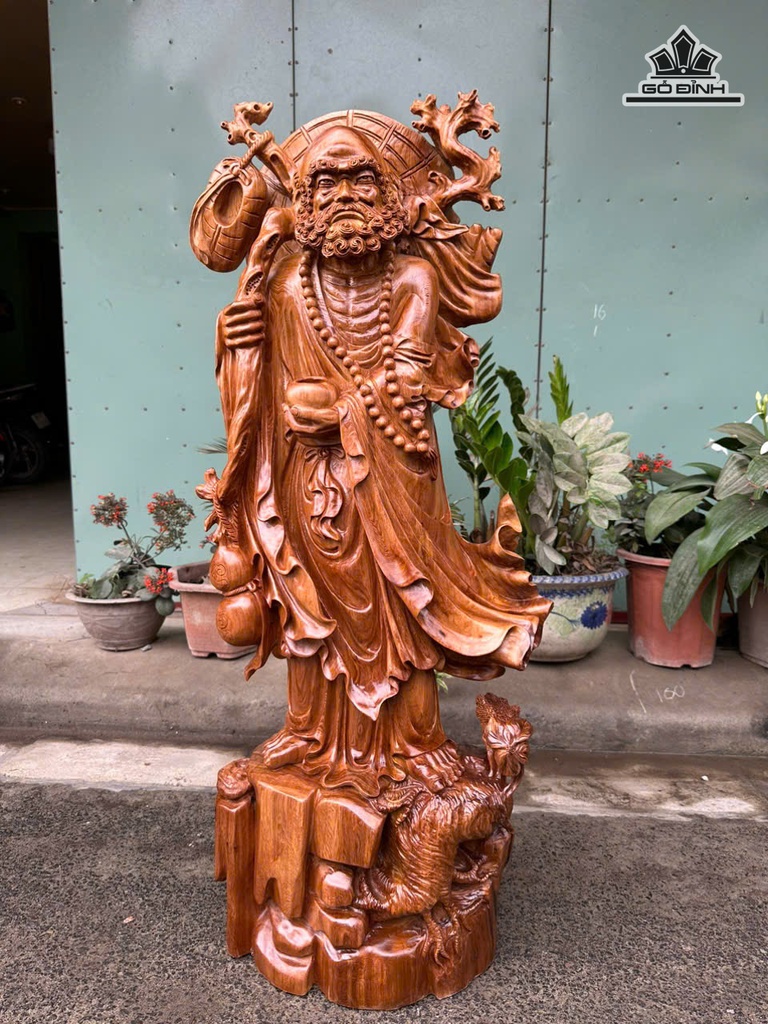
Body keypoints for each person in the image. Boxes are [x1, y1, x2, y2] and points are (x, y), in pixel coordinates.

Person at [193, 124, 551, 795]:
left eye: (362, 180)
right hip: (307, 477)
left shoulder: (413, 277)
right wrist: (237, 340)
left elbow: (410, 375)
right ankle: (309, 730)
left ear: (388, 195)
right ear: (306, 201)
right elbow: (260, 381)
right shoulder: (288, 283)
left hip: (392, 469)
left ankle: (414, 739)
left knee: (401, 605)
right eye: (326, 184)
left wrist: (343, 410)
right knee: (310, 606)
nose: (345, 196)